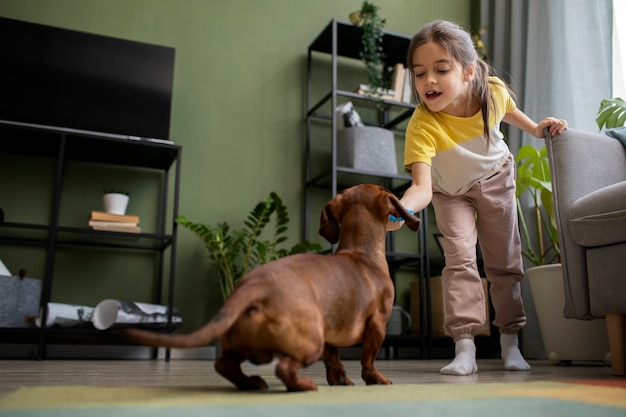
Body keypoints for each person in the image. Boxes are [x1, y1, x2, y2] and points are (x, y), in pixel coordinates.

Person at [387, 20, 567, 376]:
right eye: (419, 74)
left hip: (495, 178)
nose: (429, 82)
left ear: (468, 71)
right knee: (460, 260)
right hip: (449, 192)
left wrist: (535, 128)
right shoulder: (422, 125)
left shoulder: (491, 92)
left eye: (441, 70)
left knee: (504, 261)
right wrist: (403, 209)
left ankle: (510, 341)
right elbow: (421, 188)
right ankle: (464, 345)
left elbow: (509, 112)